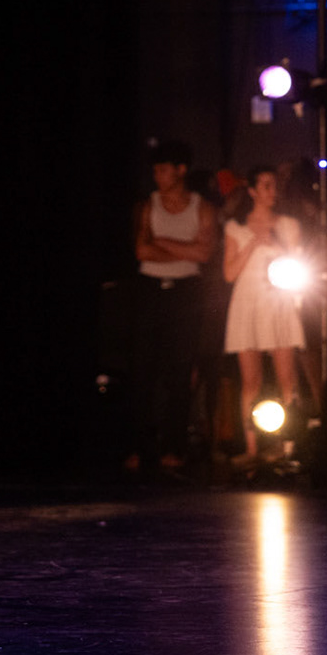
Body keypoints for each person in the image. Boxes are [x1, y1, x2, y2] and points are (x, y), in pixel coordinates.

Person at [127, 140, 215, 476]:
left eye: (163, 170)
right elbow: (141, 250)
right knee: (143, 370)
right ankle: (140, 447)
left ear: (181, 170)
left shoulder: (202, 208)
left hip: (186, 292)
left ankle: (174, 448)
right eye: (155, 170)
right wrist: (184, 249)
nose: (158, 176)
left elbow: (204, 254)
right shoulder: (147, 205)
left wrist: (161, 242)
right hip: (150, 289)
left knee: (180, 371)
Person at [223, 166, 305, 466]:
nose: (272, 191)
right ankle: (252, 448)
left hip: (278, 301)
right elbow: (229, 273)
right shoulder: (236, 227)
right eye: (266, 185)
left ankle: (289, 445)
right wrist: (252, 243)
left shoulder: (288, 225)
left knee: (287, 377)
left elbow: (298, 263)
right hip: (248, 303)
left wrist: (277, 244)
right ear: (253, 191)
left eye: (274, 185)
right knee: (251, 381)